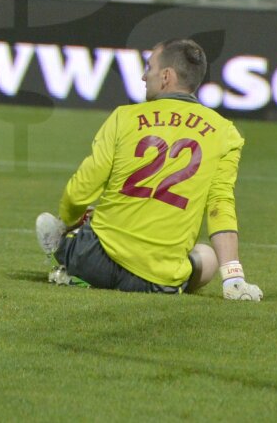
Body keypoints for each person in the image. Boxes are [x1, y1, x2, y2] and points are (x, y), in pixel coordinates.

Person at [34, 38, 263, 300]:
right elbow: (220, 205)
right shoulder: (225, 133)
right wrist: (233, 277)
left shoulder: (123, 117)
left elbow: (81, 189)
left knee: (82, 217)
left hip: (93, 260)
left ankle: (68, 257)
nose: (144, 76)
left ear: (166, 76)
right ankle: (227, 283)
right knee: (206, 258)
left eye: (149, 67)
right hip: (157, 281)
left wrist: (66, 222)